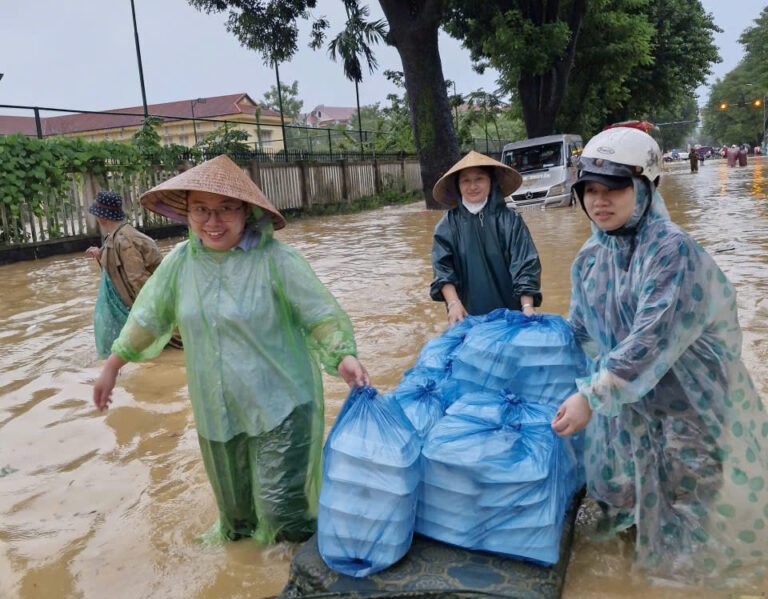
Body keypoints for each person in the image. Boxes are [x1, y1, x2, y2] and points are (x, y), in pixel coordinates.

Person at [92, 155, 369, 545]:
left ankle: (297, 578)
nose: (212, 222)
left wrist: (343, 357)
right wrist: (113, 365)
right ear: (187, 213)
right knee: (237, 521)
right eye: (201, 210)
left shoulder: (277, 261)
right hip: (218, 411)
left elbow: (319, 315)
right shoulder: (180, 264)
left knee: (282, 512)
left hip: (282, 406)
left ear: (248, 212)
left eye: (225, 209)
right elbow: (147, 318)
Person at [551, 127, 768, 584]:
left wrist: (590, 396)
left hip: (687, 404)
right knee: (626, 499)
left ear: (645, 187)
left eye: (613, 188)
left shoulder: (672, 250)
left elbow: (650, 336)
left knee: (687, 510)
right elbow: (579, 330)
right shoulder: (590, 257)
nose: (599, 201)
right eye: (589, 190)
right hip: (628, 406)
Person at [430, 151, 542, 326]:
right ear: (458, 186)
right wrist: (453, 303)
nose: (472, 186)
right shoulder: (447, 225)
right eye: (465, 180)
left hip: (511, 314)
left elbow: (525, 264)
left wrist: (527, 306)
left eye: (479, 179)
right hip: (466, 315)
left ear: (491, 181)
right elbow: (442, 270)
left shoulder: (510, 220)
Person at [85, 190, 164, 357]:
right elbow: (119, 270)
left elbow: (138, 280)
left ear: (102, 218)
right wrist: (100, 255)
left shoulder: (125, 240)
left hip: (148, 307)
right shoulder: (115, 236)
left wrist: (147, 321)